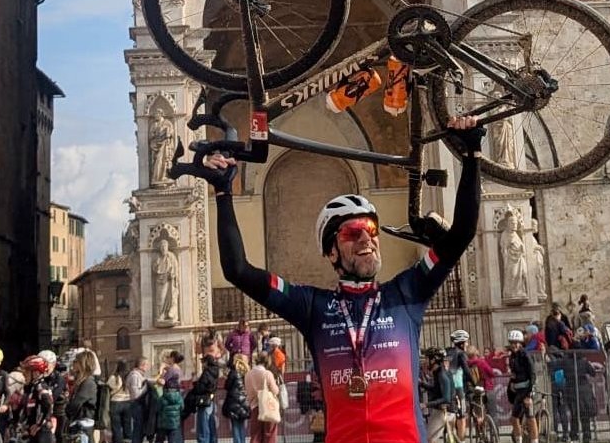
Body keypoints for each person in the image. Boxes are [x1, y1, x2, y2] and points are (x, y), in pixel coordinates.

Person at [205, 116, 483, 443]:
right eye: (353, 233)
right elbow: (237, 269)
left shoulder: (407, 293)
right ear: (333, 252)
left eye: (372, 230)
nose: (367, 239)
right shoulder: (314, 308)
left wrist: (471, 156)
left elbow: (461, 234)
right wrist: (223, 192)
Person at [506, 330, 538, 443]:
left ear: (520, 343)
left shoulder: (525, 355)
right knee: (514, 418)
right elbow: (514, 374)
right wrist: (512, 384)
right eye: (512, 343)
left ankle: (535, 441)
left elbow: (532, 374)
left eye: (516, 343)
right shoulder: (512, 357)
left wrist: (529, 395)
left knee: (530, 417)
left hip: (527, 389)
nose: (514, 345)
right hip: (518, 391)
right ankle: (519, 440)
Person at [444, 330, 474, 443]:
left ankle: (450, 438)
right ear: (461, 343)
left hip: (446, 389)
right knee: (462, 417)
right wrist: (475, 383)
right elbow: (467, 371)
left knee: (451, 414)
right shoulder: (461, 354)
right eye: (466, 342)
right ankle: (461, 440)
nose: (467, 344)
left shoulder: (446, 352)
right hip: (458, 388)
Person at [421, 348, 455, 443]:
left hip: (444, 411)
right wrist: (422, 384)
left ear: (433, 360)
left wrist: (426, 405)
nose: (425, 362)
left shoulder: (442, 374)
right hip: (447, 410)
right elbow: (436, 390)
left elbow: (446, 398)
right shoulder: (438, 372)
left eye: (427, 359)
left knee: (427, 439)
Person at [243, 353, 279, 443]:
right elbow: (275, 391)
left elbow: (247, 391)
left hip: (254, 407)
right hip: (268, 407)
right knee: (269, 434)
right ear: (267, 362)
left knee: (255, 435)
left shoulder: (247, 375)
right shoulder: (267, 374)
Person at [19, 355, 55, 443]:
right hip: (33, 433)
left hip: (42, 433)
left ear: (36, 373)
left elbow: (48, 405)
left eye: (27, 372)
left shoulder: (41, 387)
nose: (24, 375)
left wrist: (38, 424)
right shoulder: (32, 387)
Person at [66, 351, 99, 443]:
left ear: (82, 364)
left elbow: (76, 403)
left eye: (76, 361)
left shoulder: (88, 383)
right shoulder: (80, 381)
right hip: (78, 423)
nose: (73, 364)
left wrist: (67, 410)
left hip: (83, 426)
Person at [190, 354, 220, 443]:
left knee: (203, 425)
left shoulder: (206, 372)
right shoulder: (215, 372)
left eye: (203, 362)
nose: (202, 364)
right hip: (210, 399)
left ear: (206, 362)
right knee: (211, 424)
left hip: (204, 400)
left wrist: (195, 382)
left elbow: (200, 388)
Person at [222, 355, 250, 443]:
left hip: (234, 402)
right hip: (244, 402)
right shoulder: (246, 372)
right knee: (241, 426)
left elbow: (227, 386)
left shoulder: (233, 372)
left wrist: (226, 378)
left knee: (235, 427)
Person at [125, 358, 150, 443]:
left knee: (140, 428)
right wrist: (146, 387)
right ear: (142, 365)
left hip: (139, 404)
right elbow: (136, 394)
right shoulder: (135, 376)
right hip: (137, 404)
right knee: (138, 428)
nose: (148, 367)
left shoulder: (139, 375)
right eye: (147, 365)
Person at [108, 361, 132, 443]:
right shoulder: (130, 377)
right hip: (127, 402)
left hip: (115, 402)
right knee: (127, 425)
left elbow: (108, 389)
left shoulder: (114, 377)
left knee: (116, 427)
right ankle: (128, 440)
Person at [154, 375, 183, 443]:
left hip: (163, 423)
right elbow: (182, 408)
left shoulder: (162, 398)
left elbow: (157, 408)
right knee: (173, 440)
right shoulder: (179, 398)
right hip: (174, 424)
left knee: (159, 440)